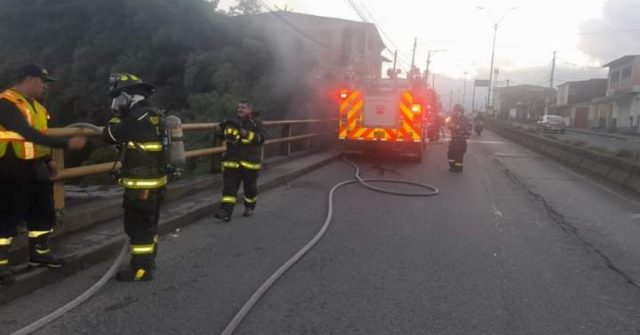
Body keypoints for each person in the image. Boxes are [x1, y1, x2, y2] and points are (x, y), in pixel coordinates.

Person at [0, 64, 87, 285]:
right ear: (29, 79)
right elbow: (26, 133)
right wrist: (66, 143)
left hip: (36, 168)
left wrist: (48, 160)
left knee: (43, 213)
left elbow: (39, 135)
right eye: (43, 82)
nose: (45, 88)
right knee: (9, 217)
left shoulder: (37, 107)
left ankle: (40, 254)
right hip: (11, 168)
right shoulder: (6, 103)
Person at [103, 73, 167, 282]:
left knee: (137, 227)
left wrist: (115, 116)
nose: (116, 102)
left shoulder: (135, 117)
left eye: (118, 97)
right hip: (156, 182)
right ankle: (149, 261)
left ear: (127, 96)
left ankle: (140, 270)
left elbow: (110, 135)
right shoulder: (155, 113)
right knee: (149, 225)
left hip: (141, 185)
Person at [214, 101, 267, 222]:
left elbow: (262, 138)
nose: (239, 109)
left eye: (243, 107)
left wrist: (246, 133)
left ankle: (250, 207)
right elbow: (223, 136)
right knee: (229, 189)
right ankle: (225, 212)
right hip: (232, 162)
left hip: (250, 163)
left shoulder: (256, 122)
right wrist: (219, 130)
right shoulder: (231, 122)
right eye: (238, 107)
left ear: (250, 109)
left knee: (250, 188)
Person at [447, 104, 471, 173]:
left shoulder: (465, 119)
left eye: (458, 111)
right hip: (453, 138)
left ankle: (458, 168)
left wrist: (457, 128)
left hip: (461, 139)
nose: (456, 112)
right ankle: (452, 166)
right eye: (455, 111)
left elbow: (466, 128)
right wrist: (455, 127)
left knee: (459, 154)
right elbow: (448, 125)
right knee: (450, 153)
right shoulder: (452, 118)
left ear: (461, 111)